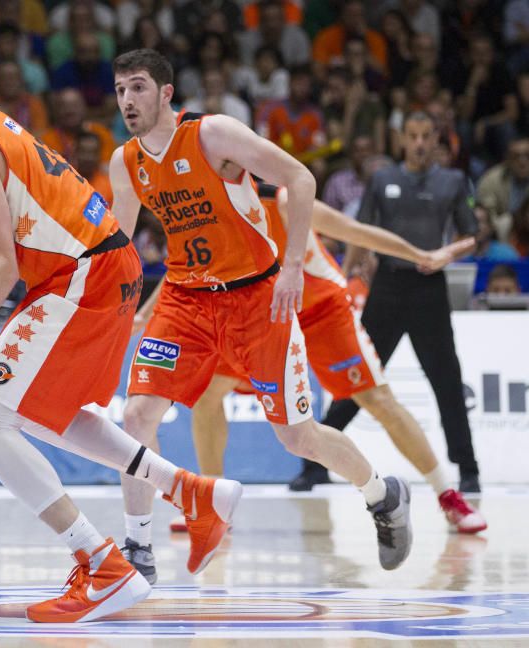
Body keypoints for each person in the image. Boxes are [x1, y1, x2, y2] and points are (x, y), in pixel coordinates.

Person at [0, 35, 243, 624]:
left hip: (78, 275)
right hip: (96, 266)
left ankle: (102, 564)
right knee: (42, 412)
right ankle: (191, 491)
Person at [107, 49, 413, 582]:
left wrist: (294, 264)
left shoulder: (212, 135)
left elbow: (299, 178)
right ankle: (137, 548)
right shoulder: (125, 161)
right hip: (186, 300)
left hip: (257, 297)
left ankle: (383, 496)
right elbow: (117, 247)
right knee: (135, 417)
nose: (127, 100)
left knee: (297, 437)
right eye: (119, 91)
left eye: (137, 87)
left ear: (165, 94)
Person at [151, 186, 485, 552]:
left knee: (378, 400)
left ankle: (447, 495)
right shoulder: (208, 209)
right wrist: (144, 312)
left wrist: (421, 254)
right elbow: (182, 266)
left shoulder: (280, 200)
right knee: (208, 394)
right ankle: (214, 502)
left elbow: (354, 230)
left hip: (321, 311)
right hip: (265, 317)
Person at [322, 111, 484, 494]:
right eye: (413, 136)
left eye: (427, 136)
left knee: (446, 380)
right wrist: (343, 280)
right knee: (358, 375)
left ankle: (468, 468)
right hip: (388, 288)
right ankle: (315, 463)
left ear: (437, 139)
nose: (420, 144)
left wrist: (448, 254)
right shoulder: (383, 178)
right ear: (401, 139)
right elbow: (358, 232)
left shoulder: (453, 181)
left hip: (430, 289)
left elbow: (472, 234)